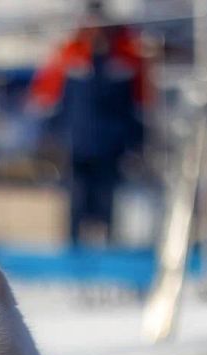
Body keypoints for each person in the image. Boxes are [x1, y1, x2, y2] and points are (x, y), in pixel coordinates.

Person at [27, 3, 150, 245]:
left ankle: (105, 249)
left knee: (105, 203)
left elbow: (135, 108)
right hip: (78, 146)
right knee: (77, 203)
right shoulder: (71, 58)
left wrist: (136, 144)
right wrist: (50, 140)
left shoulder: (125, 61)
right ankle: (74, 251)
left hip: (110, 148)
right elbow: (53, 103)